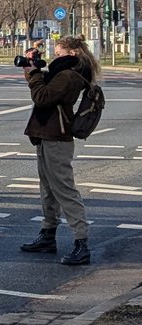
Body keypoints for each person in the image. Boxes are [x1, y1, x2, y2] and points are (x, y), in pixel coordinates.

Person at [19, 35, 98, 266]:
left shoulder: (69, 75)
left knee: (64, 189)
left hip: (57, 136)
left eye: (59, 52)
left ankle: (81, 242)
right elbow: (44, 87)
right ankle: (48, 233)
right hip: (46, 133)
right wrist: (31, 69)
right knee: (48, 188)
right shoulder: (62, 71)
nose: (55, 56)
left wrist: (35, 74)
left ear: (73, 53)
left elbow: (42, 96)